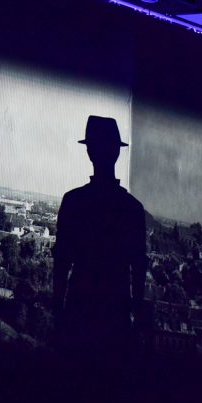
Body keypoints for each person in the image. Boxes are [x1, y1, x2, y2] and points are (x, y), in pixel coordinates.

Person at [53, 115, 148, 357]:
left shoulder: (73, 202)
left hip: (78, 314)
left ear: (89, 152)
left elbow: (61, 266)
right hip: (116, 320)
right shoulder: (133, 209)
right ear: (117, 152)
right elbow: (138, 271)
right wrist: (137, 324)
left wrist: (58, 318)